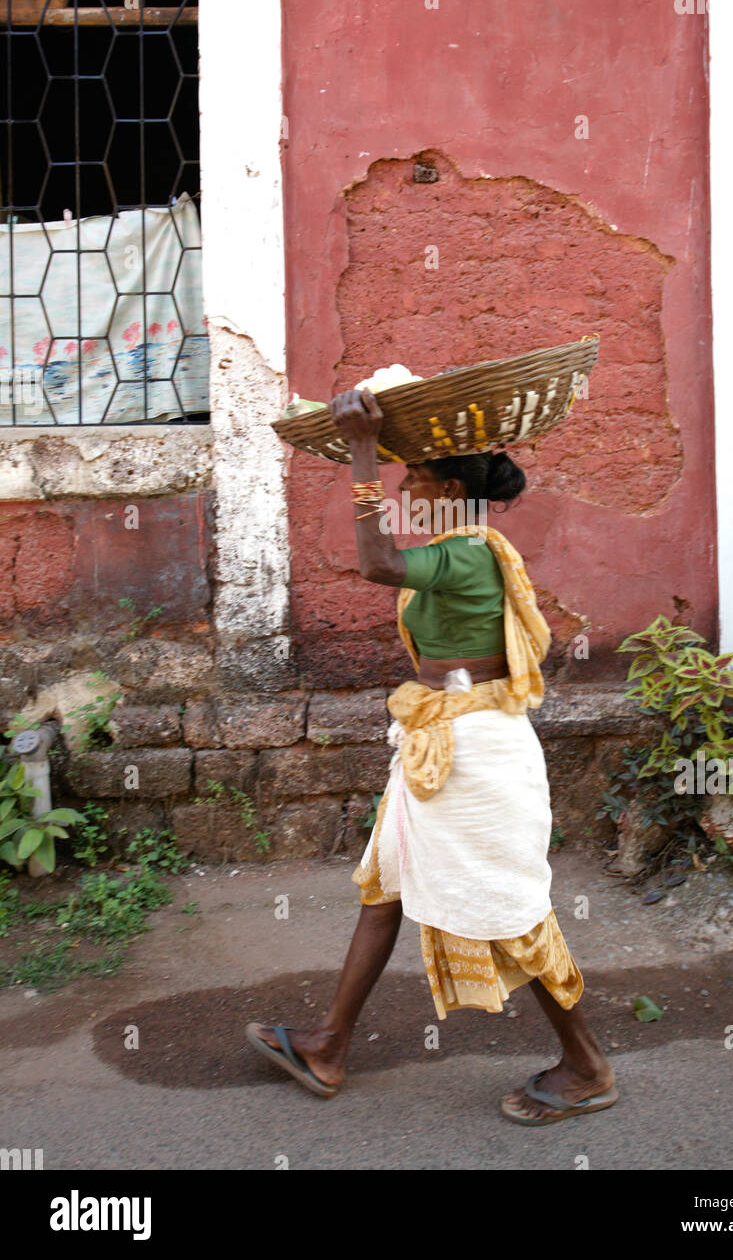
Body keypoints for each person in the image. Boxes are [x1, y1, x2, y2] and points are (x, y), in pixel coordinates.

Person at [247, 387, 617, 1124]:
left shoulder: (464, 555)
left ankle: (587, 1066)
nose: (403, 485)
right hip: (441, 739)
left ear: (448, 491)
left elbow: (376, 561)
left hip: (472, 753)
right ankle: (327, 1045)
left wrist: (359, 449)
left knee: (507, 910)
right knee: (384, 887)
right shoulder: (464, 549)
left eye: (410, 474)